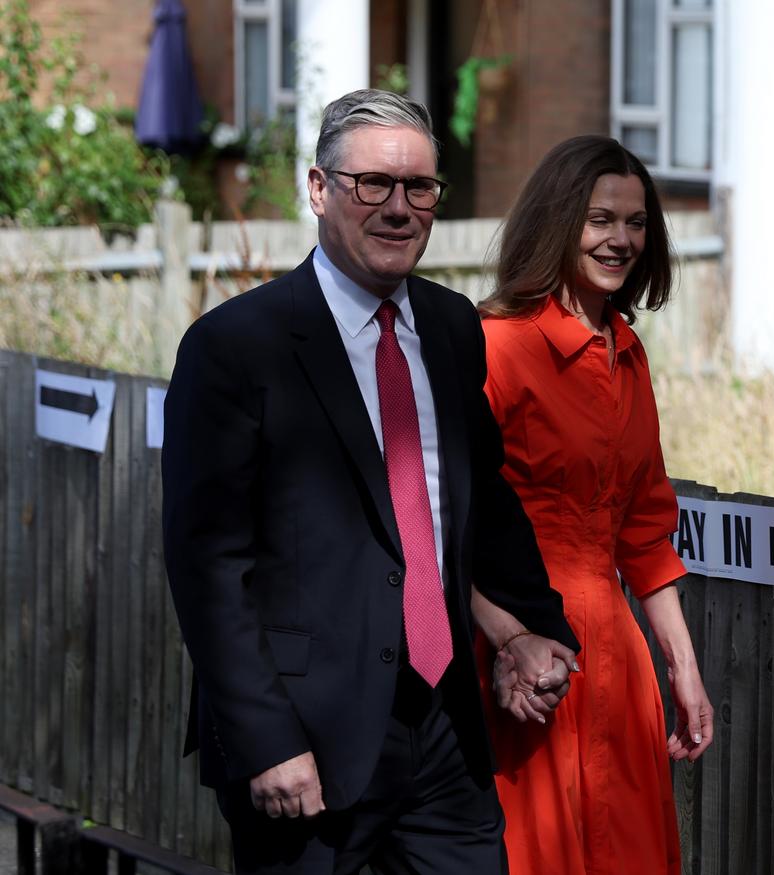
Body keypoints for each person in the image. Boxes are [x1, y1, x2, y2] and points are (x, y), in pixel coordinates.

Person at [161, 88, 579, 875]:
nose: (398, 207)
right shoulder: (234, 348)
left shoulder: (453, 326)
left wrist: (531, 622)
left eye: (418, 187)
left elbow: (479, 496)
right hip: (308, 742)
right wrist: (268, 740)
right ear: (319, 189)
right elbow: (207, 565)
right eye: (372, 184)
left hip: (445, 727)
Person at [474, 136, 715, 875]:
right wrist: (509, 639)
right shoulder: (497, 347)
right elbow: (442, 522)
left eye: (637, 223)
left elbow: (644, 529)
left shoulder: (629, 355)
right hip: (524, 653)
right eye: (600, 219)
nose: (621, 240)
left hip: (617, 657)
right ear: (557, 221)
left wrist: (682, 664)